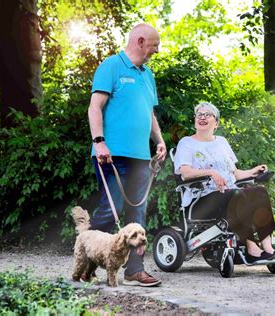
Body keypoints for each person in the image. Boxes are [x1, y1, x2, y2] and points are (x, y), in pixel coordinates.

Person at [87, 23, 166, 287]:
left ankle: (134, 270)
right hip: (111, 155)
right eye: (154, 45)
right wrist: (99, 142)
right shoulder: (112, 66)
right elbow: (95, 107)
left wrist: (160, 141)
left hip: (141, 158)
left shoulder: (148, 75)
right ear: (140, 41)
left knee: (138, 215)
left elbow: (149, 113)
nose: (156, 50)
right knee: (110, 211)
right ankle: (86, 262)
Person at [173, 102, 275, 263]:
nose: (202, 117)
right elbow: (185, 173)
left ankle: (268, 248)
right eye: (199, 114)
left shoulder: (222, 142)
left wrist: (252, 172)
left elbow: (234, 174)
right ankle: (252, 248)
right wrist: (211, 173)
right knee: (237, 193)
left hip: (229, 192)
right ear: (195, 120)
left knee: (259, 191)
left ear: (216, 123)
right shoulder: (187, 143)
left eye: (207, 115)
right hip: (202, 200)